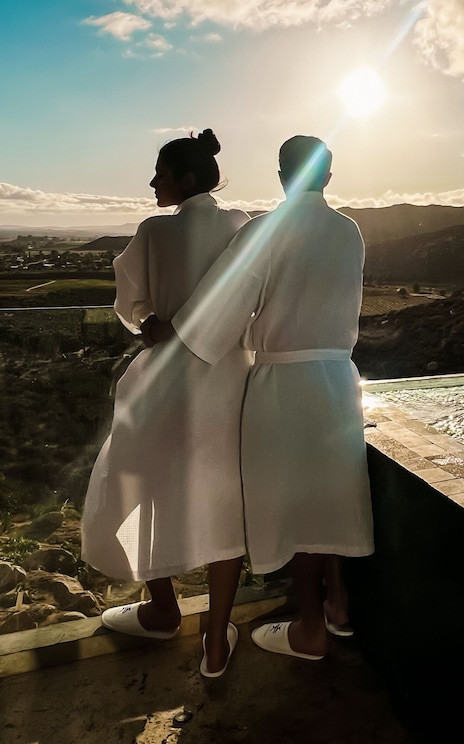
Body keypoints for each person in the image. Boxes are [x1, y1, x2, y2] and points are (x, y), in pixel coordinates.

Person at [159, 135, 374, 660]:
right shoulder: (350, 231)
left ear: (282, 176)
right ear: (328, 176)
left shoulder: (264, 231)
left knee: (295, 508)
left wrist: (169, 331)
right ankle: (337, 606)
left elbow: (218, 309)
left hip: (283, 384)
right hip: (338, 381)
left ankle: (309, 630)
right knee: (331, 495)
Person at [81, 130, 251, 677]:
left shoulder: (154, 232)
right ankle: (215, 644)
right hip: (228, 380)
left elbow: (131, 304)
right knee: (224, 498)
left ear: (187, 178)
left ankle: (162, 608)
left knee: (143, 483)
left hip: (167, 380)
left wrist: (151, 324)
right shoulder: (241, 225)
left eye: (161, 172)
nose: (153, 182)